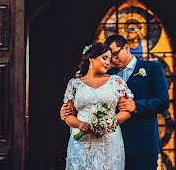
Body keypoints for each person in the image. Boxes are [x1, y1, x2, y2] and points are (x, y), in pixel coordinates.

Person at [62, 35, 169, 170]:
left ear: (126, 47)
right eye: (108, 57)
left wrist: (137, 106)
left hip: (141, 143)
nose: (112, 60)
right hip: (109, 142)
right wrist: (68, 112)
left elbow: (163, 101)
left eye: (115, 54)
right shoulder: (107, 73)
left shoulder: (152, 68)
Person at [61, 42, 135, 170]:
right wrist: (79, 124)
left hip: (109, 140)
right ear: (91, 58)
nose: (108, 63)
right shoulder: (74, 84)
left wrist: (108, 124)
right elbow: (68, 115)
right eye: (104, 58)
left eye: (110, 59)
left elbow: (126, 111)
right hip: (81, 141)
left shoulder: (116, 81)